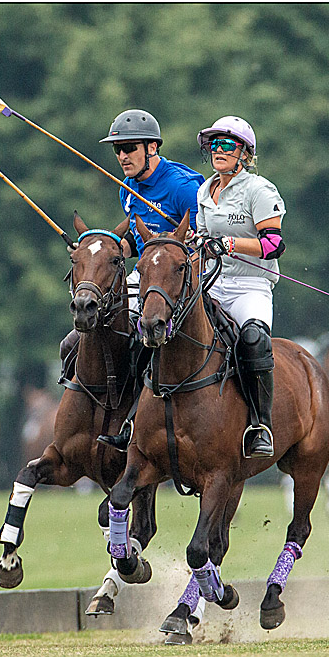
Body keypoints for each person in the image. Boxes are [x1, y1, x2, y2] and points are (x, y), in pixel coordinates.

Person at [60, 109, 204, 447]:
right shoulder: (127, 189)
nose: (122, 156)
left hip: (181, 281)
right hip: (146, 277)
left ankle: (138, 421)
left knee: (144, 337)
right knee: (81, 338)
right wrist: (97, 250)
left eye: (129, 148)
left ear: (152, 147)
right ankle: (88, 421)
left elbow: (201, 239)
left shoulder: (183, 187)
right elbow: (134, 245)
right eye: (117, 149)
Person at [192, 115, 286, 458]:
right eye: (214, 144)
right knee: (165, 324)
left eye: (227, 144)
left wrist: (229, 244)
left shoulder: (260, 190)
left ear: (244, 153)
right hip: (214, 281)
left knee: (254, 339)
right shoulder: (205, 190)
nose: (219, 150)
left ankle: (261, 425)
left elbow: (274, 244)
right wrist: (198, 242)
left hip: (251, 285)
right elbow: (204, 238)